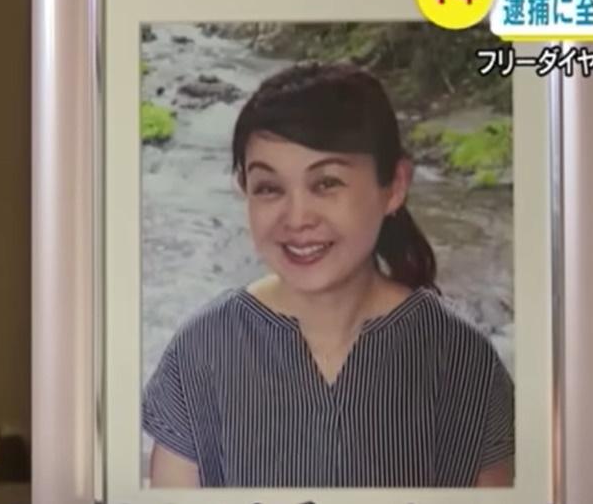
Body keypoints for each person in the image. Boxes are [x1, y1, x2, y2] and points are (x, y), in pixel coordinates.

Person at [141, 62, 514, 488]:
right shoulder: (203, 351)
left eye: (326, 184)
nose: (297, 217)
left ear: (394, 186)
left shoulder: (461, 359)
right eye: (269, 188)